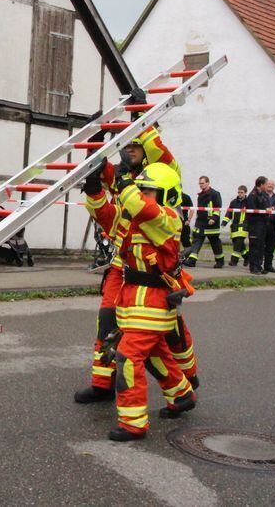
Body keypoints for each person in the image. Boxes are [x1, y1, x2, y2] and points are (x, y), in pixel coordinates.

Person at [73, 102, 198, 407]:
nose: (128, 150)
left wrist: (140, 117)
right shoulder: (124, 173)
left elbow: (154, 148)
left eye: (134, 145)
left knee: (168, 333)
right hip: (124, 261)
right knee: (108, 320)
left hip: (157, 267)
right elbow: (100, 174)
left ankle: (187, 377)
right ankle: (103, 383)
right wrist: (94, 138)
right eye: (124, 145)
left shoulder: (164, 172)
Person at [82, 160, 196, 441]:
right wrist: (95, 191)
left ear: (167, 194)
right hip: (133, 296)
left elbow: (141, 207)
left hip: (153, 300)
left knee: (130, 357)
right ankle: (181, 394)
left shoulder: (168, 218)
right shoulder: (137, 217)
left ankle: (133, 423)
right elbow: (109, 218)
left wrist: (124, 183)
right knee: (155, 353)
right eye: (141, 189)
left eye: (149, 190)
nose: (143, 194)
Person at [184, 176, 224, 268]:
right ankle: (192, 260)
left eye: (202, 183)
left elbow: (218, 208)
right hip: (201, 223)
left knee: (215, 243)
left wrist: (214, 218)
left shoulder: (215, 194)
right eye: (199, 183)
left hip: (211, 224)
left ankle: (220, 261)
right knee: (196, 240)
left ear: (208, 183)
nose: (200, 185)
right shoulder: (200, 195)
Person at [245, 176, 271, 274]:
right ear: (261, 185)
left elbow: (266, 205)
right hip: (255, 225)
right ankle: (253, 267)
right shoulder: (252, 195)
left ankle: (259, 266)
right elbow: (252, 210)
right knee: (254, 247)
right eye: (266, 184)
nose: (267, 186)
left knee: (261, 246)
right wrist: (265, 211)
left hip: (263, 224)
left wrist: (269, 209)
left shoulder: (264, 194)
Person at [223, 185, 249, 267]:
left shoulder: (248, 202)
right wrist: (224, 222)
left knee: (238, 245)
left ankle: (234, 261)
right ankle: (248, 258)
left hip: (243, 226)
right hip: (234, 226)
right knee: (240, 245)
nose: (240, 194)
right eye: (239, 192)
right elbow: (229, 212)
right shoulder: (234, 202)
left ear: (245, 193)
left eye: (242, 192)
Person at [263, 179, 275, 273]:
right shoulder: (261, 195)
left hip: (273, 226)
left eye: (272, 184)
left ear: (274, 186)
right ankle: (259, 265)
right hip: (263, 225)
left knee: (271, 247)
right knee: (261, 246)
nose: (270, 186)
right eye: (268, 184)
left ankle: (268, 265)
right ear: (265, 185)